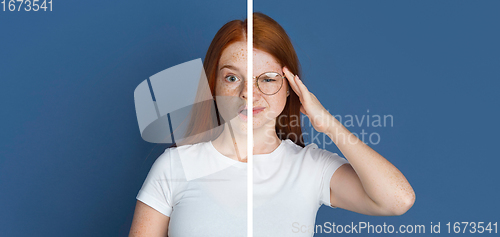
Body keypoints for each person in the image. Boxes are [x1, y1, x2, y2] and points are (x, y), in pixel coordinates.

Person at [129, 12, 415, 237]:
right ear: (213, 84)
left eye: (266, 79)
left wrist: (327, 123)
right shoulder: (175, 166)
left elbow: (398, 200)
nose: (247, 93)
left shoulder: (310, 167)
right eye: (232, 78)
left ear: (290, 86)